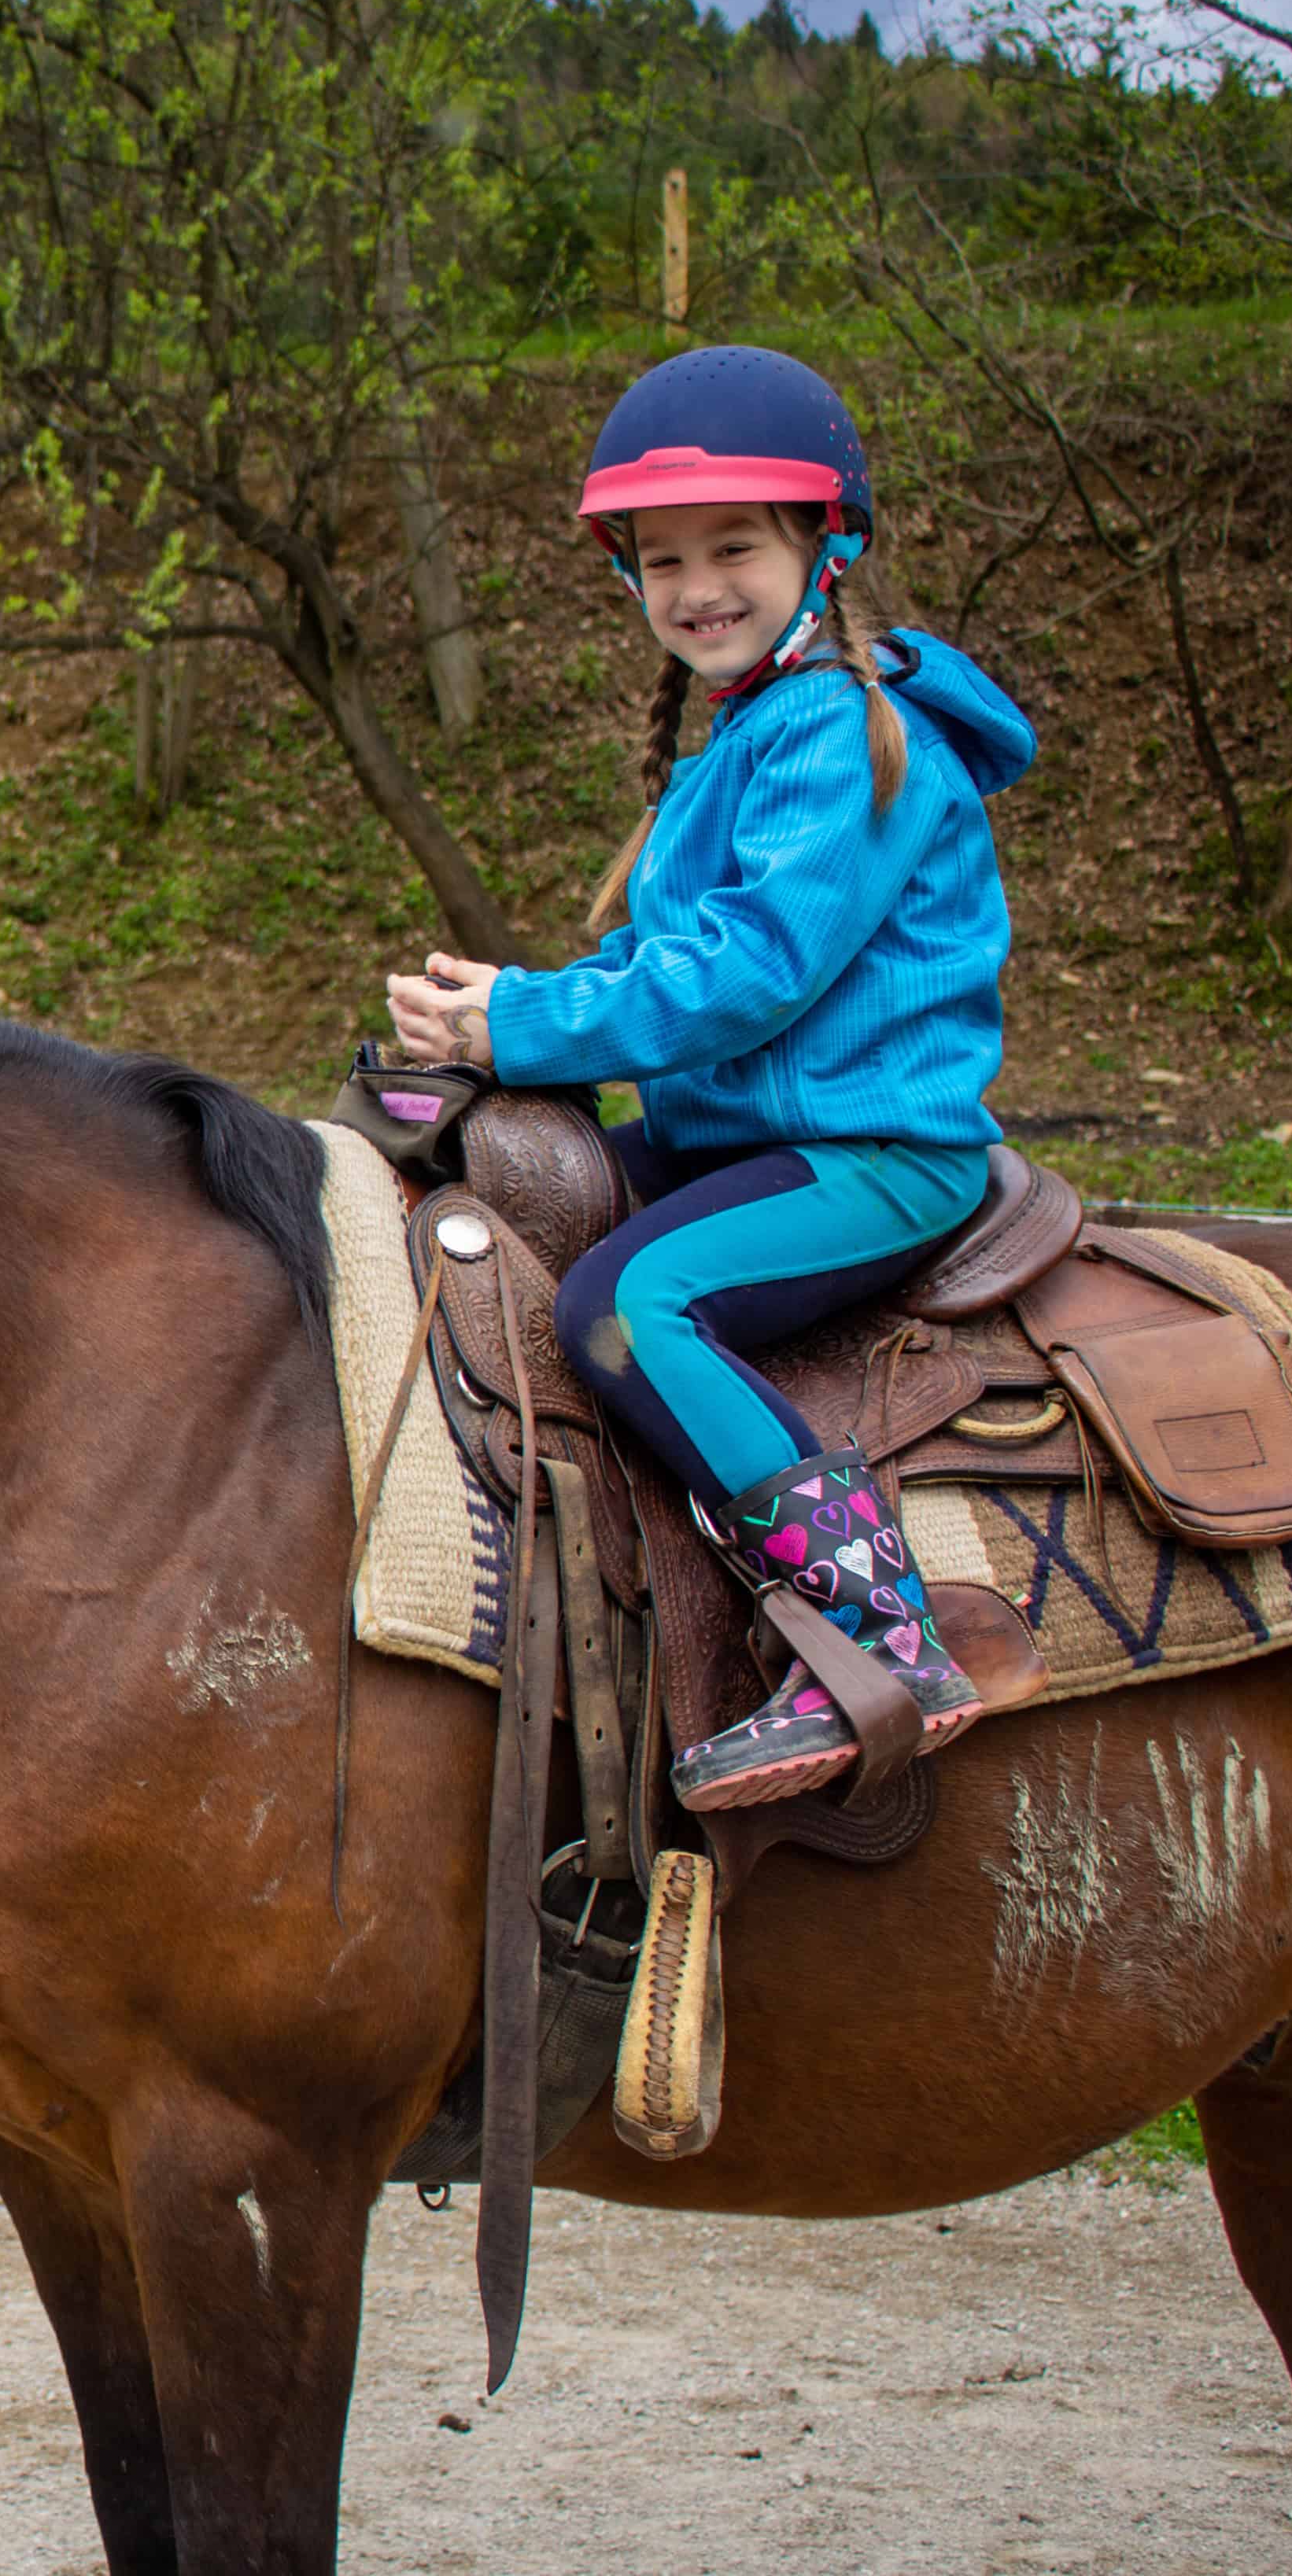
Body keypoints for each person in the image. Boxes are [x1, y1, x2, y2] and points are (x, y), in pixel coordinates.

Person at [381, 344, 1039, 1812]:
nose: (696, 587)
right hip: (740, 1134)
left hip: (872, 1154)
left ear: (824, 547)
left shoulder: (839, 730)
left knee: (627, 1304)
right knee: (501, 1194)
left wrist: (520, 1024)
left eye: (733, 547)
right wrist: (493, 1031)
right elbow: (675, 966)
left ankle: (880, 1632)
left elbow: (750, 971)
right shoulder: (749, 728)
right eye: (663, 558)